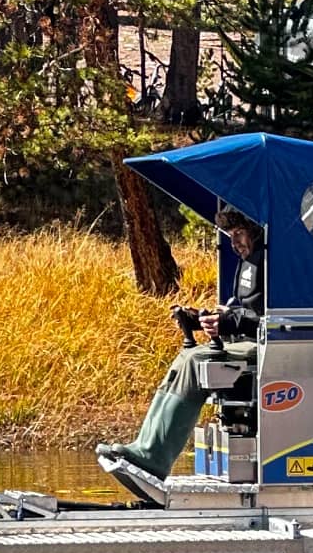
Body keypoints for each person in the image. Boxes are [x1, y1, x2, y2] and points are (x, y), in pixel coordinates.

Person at [97, 206, 266, 485]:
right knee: (184, 358)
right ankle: (143, 446)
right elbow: (239, 314)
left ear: (255, 232)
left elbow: (263, 319)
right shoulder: (249, 264)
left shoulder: (269, 264)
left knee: (194, 361)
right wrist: (201, 318)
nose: (234, 242)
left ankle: (154, 457)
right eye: (230, 235)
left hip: (267, 347)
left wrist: (228, 323)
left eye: (239, 234)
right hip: (248, 342)